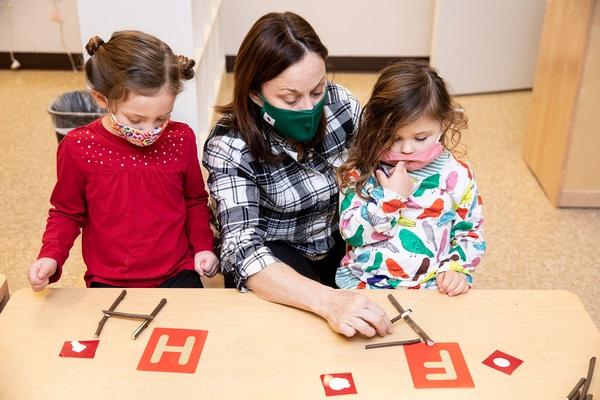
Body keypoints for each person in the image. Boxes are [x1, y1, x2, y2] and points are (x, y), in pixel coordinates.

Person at [203, 12, 392, 337]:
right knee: (297, 335)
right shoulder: (230, 145)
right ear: (254, 94)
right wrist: (328, 301)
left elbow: (377, 169)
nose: (309, 107)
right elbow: (241, 248)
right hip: (277, 255)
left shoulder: (341, 104)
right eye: (290, 98)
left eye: (317, 90)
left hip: (337, 238)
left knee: (372, 314)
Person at [28, 30, 217, 290]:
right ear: (101, 98)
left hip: (177, 272)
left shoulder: (180, 138)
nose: (150, 130)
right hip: (109, 280)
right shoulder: (78, 146)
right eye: (136, 119)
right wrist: (51, 256)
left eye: (162, 118)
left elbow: (194, 200)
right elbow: (66, 212)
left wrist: (203, 247)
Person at [336, 61, 486, 296]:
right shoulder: (360, 170)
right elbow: (352, 233)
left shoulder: (456, 175)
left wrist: (457, 269)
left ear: (444, 123)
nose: (407, 149)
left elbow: (470, 232)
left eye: (421, 137)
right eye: (394, 138)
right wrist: (390, 199)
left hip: (431, 288)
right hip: (364, 283)